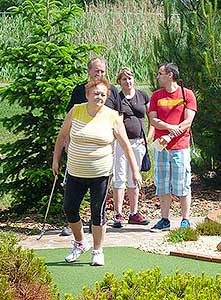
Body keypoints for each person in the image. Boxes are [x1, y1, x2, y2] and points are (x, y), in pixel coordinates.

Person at [52, 78, 142, 266]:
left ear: (107, 96)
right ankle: (80, 242)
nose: (99, 97)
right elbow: (62, 136)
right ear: (87, 95)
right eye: (95, 93)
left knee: (97, 213)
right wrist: (56, 159)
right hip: (75, 172)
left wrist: (135, 171)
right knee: (69, 208)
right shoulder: (76, 111)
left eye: (103, 94)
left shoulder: (112, 116)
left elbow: (125, 145)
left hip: (100, 174)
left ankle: (98, 250)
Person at [60, 56, 123, 236]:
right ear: (89, 71)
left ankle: (95, 226)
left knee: (98, 199)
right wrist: (67, 142)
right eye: (96, 71)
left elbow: (120, 117)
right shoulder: (79, 91)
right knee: (72, 196)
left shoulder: (113, 91)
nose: (100, 74)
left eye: (102, 71)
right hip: (79, 150)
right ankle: (73, 226)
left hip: (103, 152)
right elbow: (69, 120)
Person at [148, 63, 197, 232]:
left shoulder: (187, 94)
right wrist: (169, 128)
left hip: (180, 146)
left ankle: (185, 219)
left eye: (160, 74)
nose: (157, 77)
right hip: (161, 146)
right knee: (162, 183)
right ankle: (164, 219)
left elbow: (188, 121)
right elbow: (153, 119)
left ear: (169, 75)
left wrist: (173, 133)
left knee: (182, 182)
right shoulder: (156, 96)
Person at [112, 67, 154, 228]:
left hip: (139, 142)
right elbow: (117, 121)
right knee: (120, 176)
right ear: (119, 82)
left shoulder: (142, 95)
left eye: (129, 78)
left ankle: (134, 212)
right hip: (122, 143)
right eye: (124, 79)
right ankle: (118, 213)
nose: (127, 82)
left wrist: (148, 138)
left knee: (134, 177)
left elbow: (151, 118)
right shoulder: (118, 98)